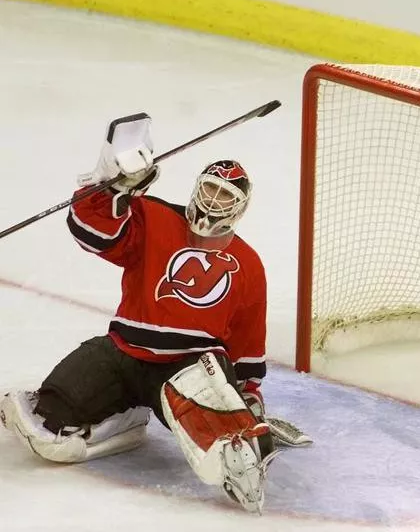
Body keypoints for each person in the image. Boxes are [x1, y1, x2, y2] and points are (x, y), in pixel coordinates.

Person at [0, 113, 307, 514]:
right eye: (211, 189)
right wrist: (115, 187)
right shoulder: (152, 215)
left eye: (226, 196)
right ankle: (126, 421)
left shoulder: (248, 263)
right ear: (197, 188)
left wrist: (248, 394)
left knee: (230, 445)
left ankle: (234, 437)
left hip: (188, 367)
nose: (214, 201)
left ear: (240, 208)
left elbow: (248, 336)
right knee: (47, 415)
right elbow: (92, 233)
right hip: (123, 353)